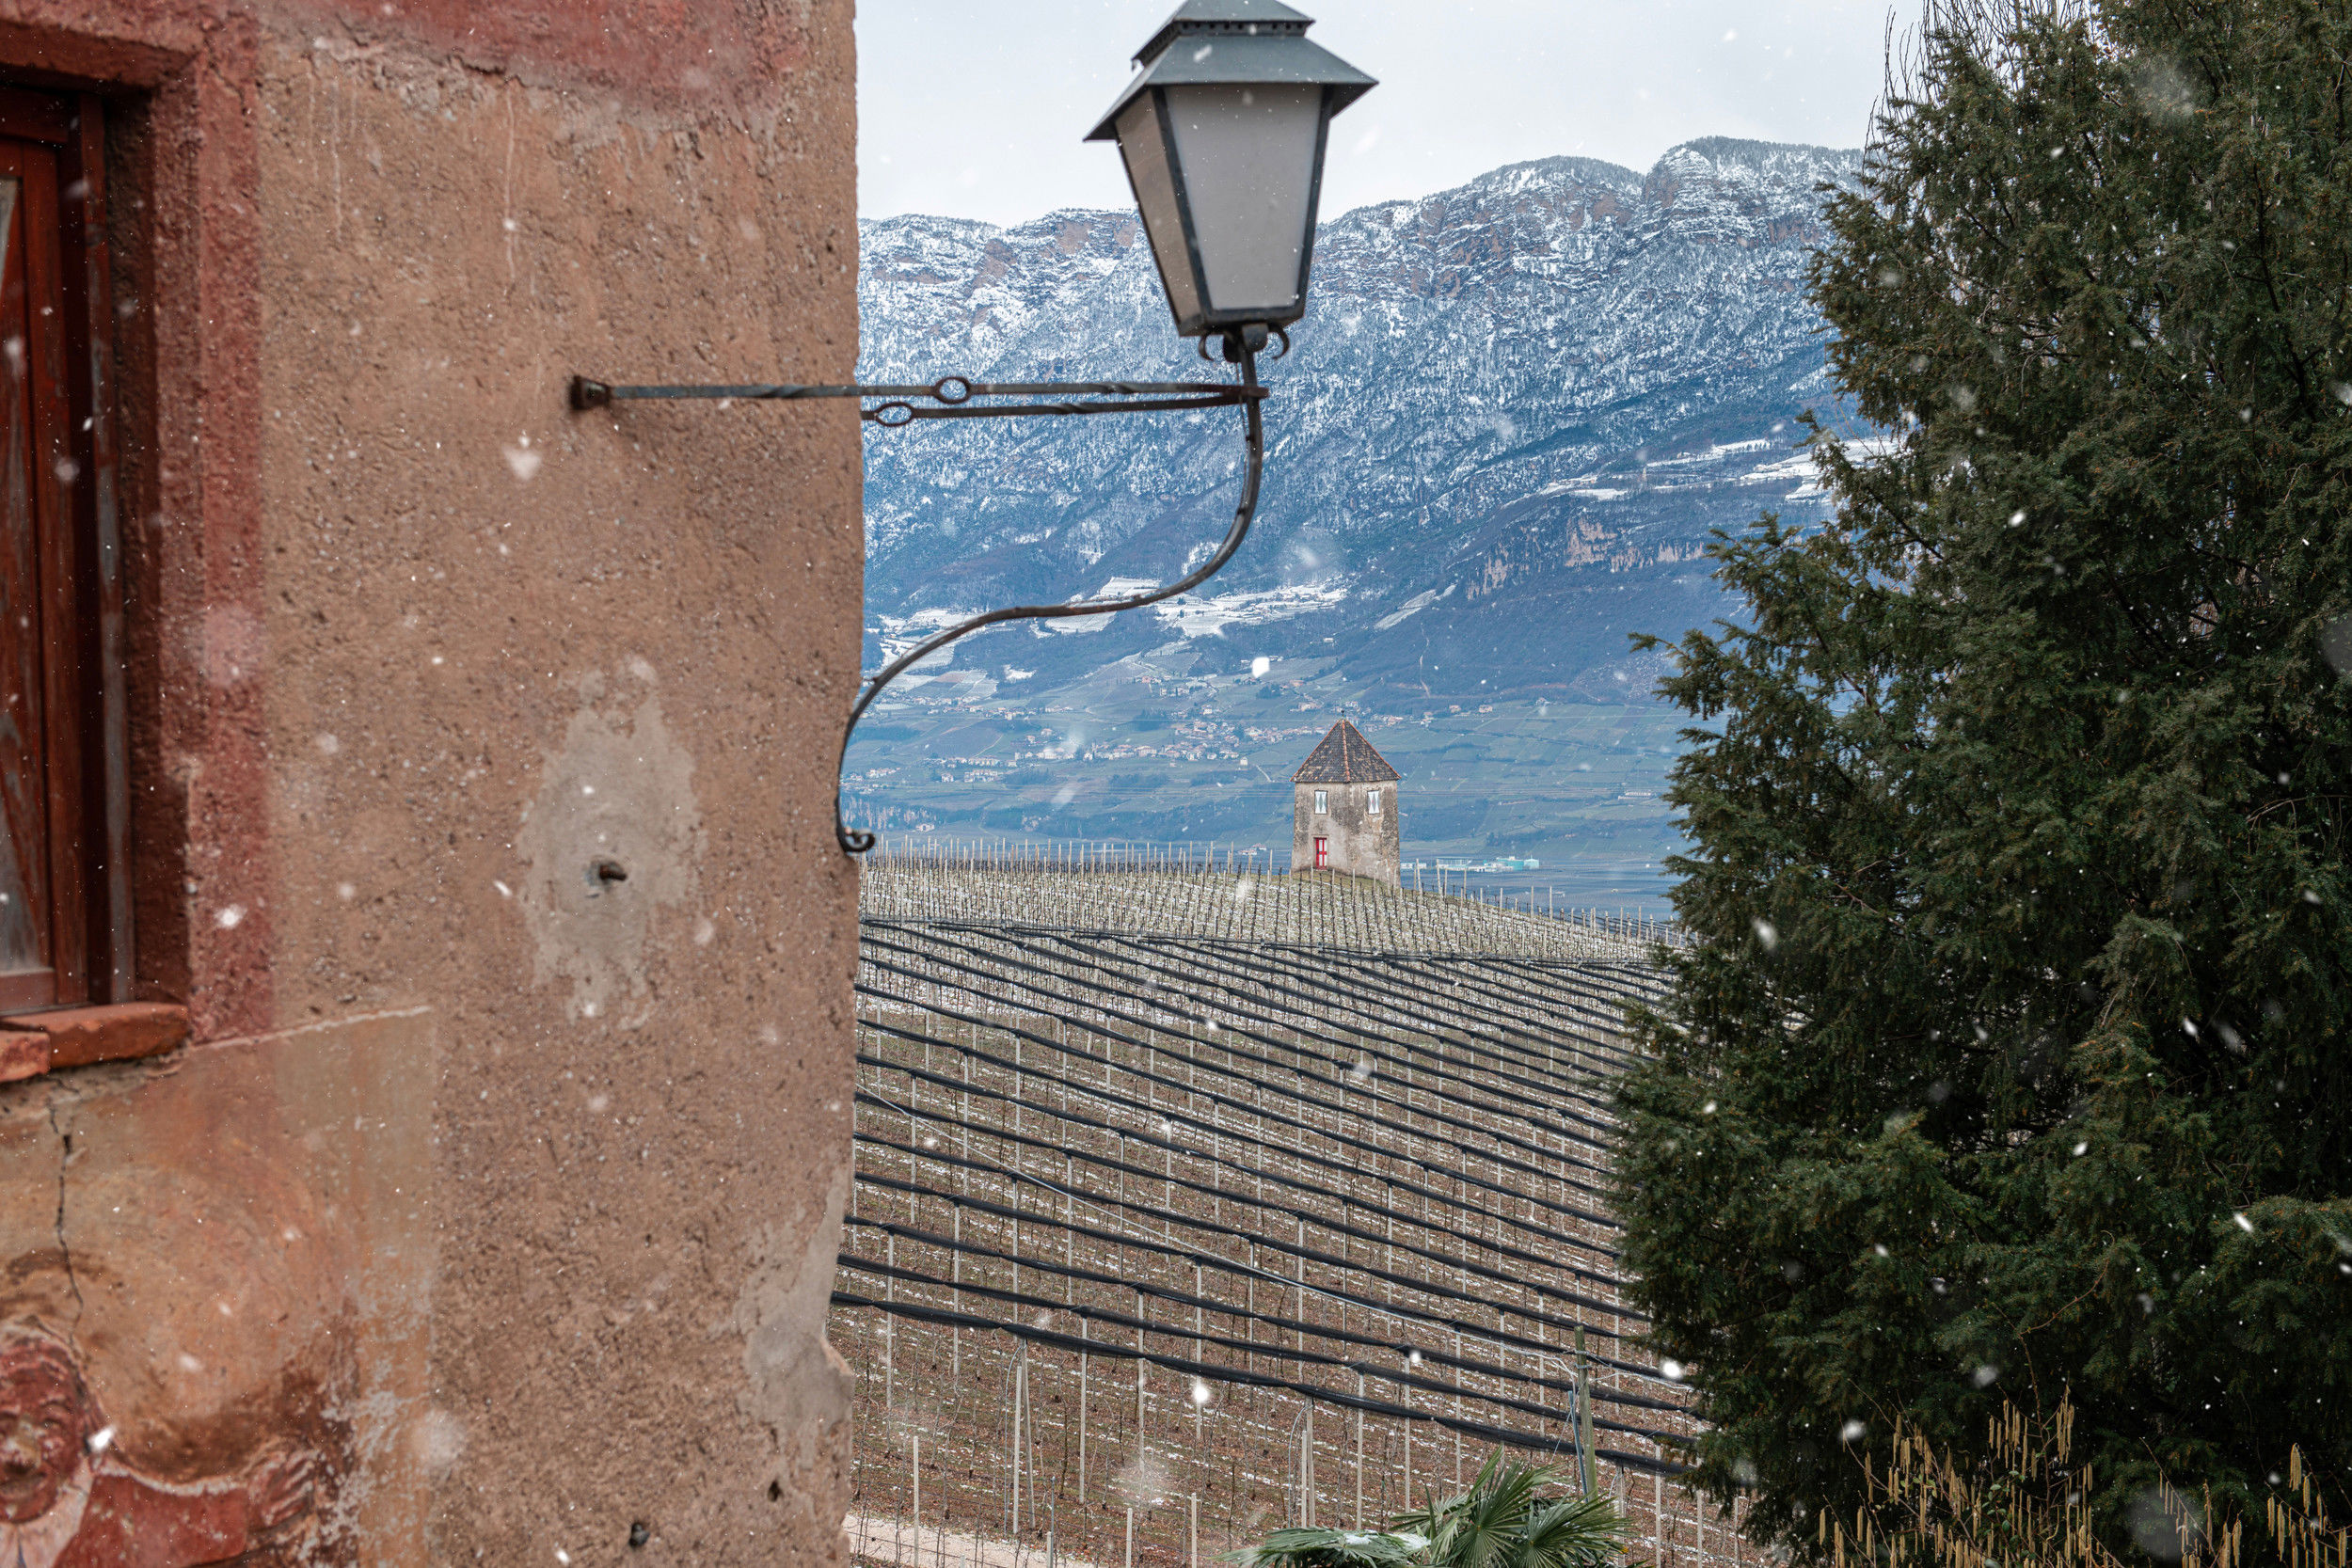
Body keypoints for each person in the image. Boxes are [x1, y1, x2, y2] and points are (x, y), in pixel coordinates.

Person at [0, 1324, 311, 1568]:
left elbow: (183, 1518)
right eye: (2, 1426)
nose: (19, 1454)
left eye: (49, 1424)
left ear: (83, 1422)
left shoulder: (117, 1504)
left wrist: (248, 1510)